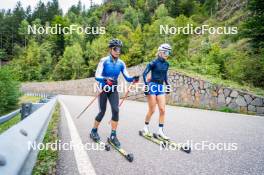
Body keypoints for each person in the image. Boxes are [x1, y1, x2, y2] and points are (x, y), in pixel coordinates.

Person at [90, 38, 139, 147]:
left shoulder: (121, 63)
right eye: (116, 49)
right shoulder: (104, 60)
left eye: (119, 49)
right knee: (102, 112)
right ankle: (94, 131)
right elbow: (97, 76)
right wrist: (105, 79)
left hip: (113, 90)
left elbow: (127, 77)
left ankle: (113, 135)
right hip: (103, 89)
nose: (118, 51)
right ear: (110, 49)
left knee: (116, 110)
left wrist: (133, 79)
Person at [142, 43, 172, 140]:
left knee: (162, 110)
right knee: (152, 110)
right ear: (160, 52)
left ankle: (160, 131)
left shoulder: (167, 64)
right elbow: (144, 74)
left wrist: (167, 85)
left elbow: (165, 76)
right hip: (152, 86)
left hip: (160, 87)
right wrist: (146, 86)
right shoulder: (153, 63)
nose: (168, 54)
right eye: (166, 52)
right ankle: (145, 127)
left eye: (169, 52)